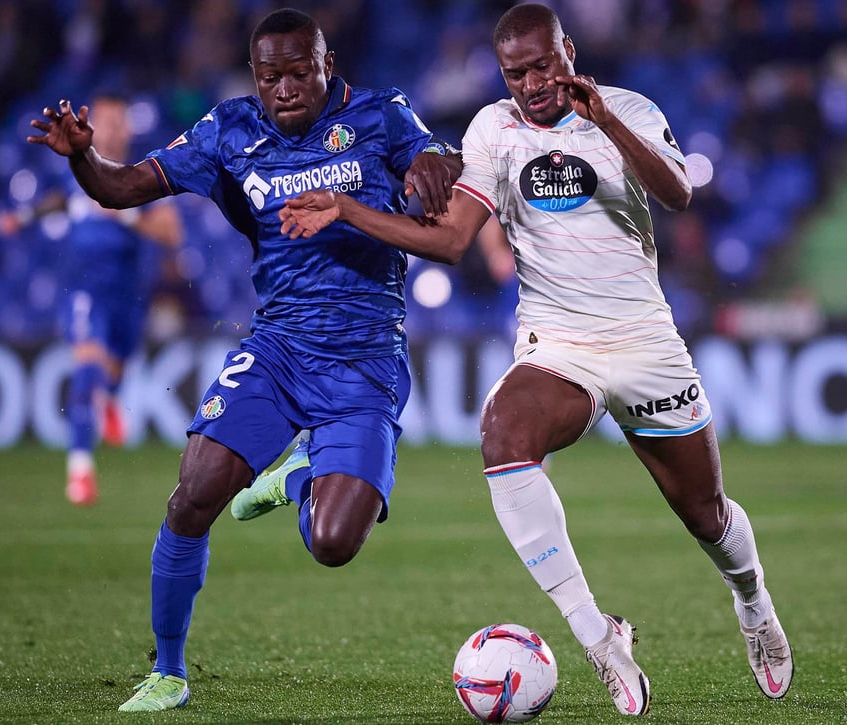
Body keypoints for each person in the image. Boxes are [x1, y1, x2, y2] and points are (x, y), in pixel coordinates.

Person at [278, 4, 793, 715]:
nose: (531, 84)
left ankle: (754, 601)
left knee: (704, 513)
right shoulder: (494, 129)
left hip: (644, 341)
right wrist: (347, 208)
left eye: (542, 67)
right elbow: (454, 239)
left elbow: (677, 193)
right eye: (515, 73)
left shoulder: (631, 109)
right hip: (560, 345)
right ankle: (598, 635)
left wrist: (603, 119)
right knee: (501, 434)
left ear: (568, 54)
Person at [27, 9, 461, 712]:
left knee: (334, 542)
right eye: (271, 77)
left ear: (327, 66)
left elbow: (430, 162)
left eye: (300, 73)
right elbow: (122, 188)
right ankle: (168, 670)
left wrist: (435, 165)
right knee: (192, 495)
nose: (286, 88)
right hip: (278, 348)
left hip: (364, 360)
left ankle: (298, 479)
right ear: (254, 77)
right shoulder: (229, 130)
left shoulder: (382, 116)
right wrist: (82, 157)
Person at [4, 93, 183, 506]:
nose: (112, 128)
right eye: (105, 120)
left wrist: (122, 211)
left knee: (114, 369)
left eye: (119, 121)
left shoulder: (144, 175)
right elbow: (60, 200)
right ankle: (80, 469)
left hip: (127, 296)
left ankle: (110, 397)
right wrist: (24, 217)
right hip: (84, 291)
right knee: (87, 367)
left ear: (130, 129)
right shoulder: (79, 173)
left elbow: (173, 234)